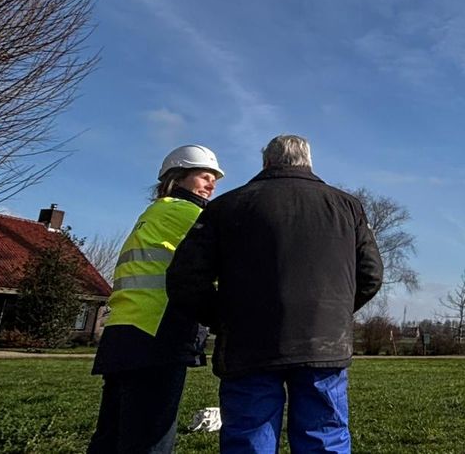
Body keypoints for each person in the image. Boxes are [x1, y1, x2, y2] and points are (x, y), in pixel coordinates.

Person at [167, 134, 383, 454]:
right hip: (323, 344)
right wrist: (331, 314)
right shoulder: (347, 207)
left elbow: (185, 279)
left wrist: (223, 317)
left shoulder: (226, 207)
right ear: (308, 163)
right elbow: (371, 275)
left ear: (266, 162)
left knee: (249, 438)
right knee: (324, 435)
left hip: (248, 343)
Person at [88, 144, 225, 454]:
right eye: (204, 176)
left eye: (215, 178)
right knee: (150, 438)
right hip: (157, 334)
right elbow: (228, 252)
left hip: (123, 333)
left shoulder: (153, 213)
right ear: (178, 178)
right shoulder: (187, 212)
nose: (212, 184)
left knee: (111, 435)